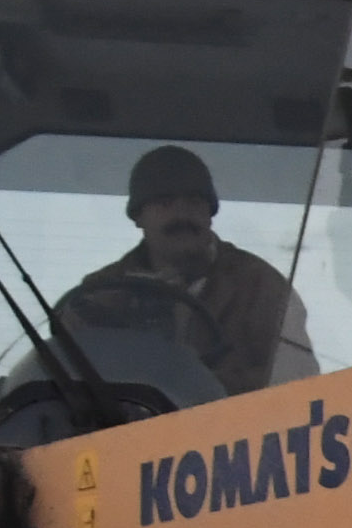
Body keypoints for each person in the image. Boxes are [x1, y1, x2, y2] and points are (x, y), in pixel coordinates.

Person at [51, 144, 316, 400]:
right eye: (164, 203)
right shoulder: (96, 296)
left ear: (210, 213)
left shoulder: (260, 286)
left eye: (193, 202)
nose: (181, 214)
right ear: (138, 217)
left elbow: (296, 389)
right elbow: (64, 383)